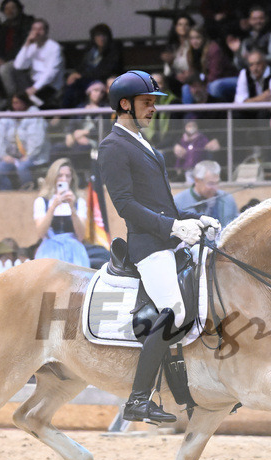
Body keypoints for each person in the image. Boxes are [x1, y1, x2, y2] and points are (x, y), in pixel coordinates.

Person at [97, 70, 215, 424]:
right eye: (147, 102)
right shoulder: (113, 147)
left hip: (167, 237)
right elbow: (126, 206)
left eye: (152, 103)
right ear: (124, 105)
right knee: (174, 311)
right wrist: (173, 227)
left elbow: (162, 204)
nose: (152, 109)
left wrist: (193, 218)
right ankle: (137, 400)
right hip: (148, 246)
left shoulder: (147, 146)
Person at [32, 157, 90, 267]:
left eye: (67, 176)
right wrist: (53, 207)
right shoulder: (42, 202)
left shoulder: (79, 201)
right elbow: (40, 232)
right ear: (53, 177)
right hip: (49, 251)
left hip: (74, 251)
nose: (64, 179)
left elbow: (81, 235)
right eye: (60, 175)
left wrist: (72, 208)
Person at [0, 92, 48, 191]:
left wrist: (29, 155)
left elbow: (36, 139)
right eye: (14, 103)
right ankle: (7, 194)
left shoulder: (35, 115)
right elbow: (0, 139)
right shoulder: (7, 117)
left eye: (19, 102)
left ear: (25, 102)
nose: (17, 105)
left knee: (22, 167)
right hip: (13, 158)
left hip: (33, 156)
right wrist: (4, 156)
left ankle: (28, 191)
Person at [60, 23, 123, 109]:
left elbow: (107, 70)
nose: (101, 38)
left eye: (104, 35)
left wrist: (82, 75)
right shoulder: (90, 51)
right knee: (71, 86)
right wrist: (74, 74)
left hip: (103, 79)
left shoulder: (114, 51)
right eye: (98, 35)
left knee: (80, 89)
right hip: (87, 78)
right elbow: (82, 66)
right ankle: (64, 115)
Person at [12, 18, 64, 107]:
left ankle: (35, 104)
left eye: (40, 29)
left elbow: (50, 73)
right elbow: (18, 66)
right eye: (34, 29)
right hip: (33, 82)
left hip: (49, 84)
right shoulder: (32, 46)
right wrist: (26, 44)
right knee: (14, 72)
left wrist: (35, 88)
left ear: (46, 31)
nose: (37, 32)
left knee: (30, 103)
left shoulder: (54, 47)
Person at [173, 160, 239, 228]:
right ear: (197, 180)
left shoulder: (228, 199)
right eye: (211, 183)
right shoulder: (178, 203)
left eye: (217, 183)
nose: (215, 188)